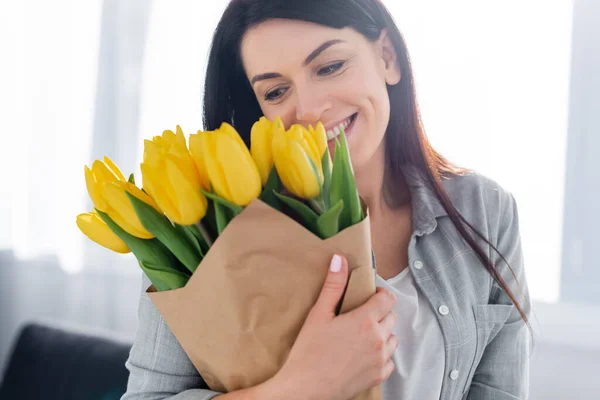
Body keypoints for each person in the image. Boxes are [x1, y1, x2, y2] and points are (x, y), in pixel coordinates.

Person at [121, 1, 532, 399]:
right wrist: (300, 388)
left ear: (387, 57)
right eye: (277, 91)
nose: (311, 110)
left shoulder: (486, 212)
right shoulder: (207, 235)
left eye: (330, 66)